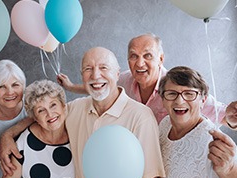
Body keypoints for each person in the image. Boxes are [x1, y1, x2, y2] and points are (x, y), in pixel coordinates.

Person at [0, 47, 166, 178]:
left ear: (117, 74)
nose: (95, 75)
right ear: (82, 76)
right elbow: (42, 113)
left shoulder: (141, 117)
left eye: (103, 68)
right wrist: (8, 135)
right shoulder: (74, 109)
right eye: (88, 69)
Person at [57, 33, 237, 128]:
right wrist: (71, 87)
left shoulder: (179, 86)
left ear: (161, 59)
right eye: (133, 56)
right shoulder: (126, 79)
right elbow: (100, 86)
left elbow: (220, 113)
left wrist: (232, 118)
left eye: (147, 55)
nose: (140, 63)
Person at [157, 66, 237, 178]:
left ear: (203, 100)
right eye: (172, 93)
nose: (179, 101)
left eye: (189, 94)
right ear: (163, 99)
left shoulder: (217, 144)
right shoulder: (165, 123)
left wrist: (230, 170)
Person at [1, 79, 75, 178]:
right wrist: (6, 135)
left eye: (53, 105)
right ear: (34, 118)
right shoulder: (24, 143)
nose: (50, 114)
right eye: (41, 110)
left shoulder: (78, 131)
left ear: (63, 106)